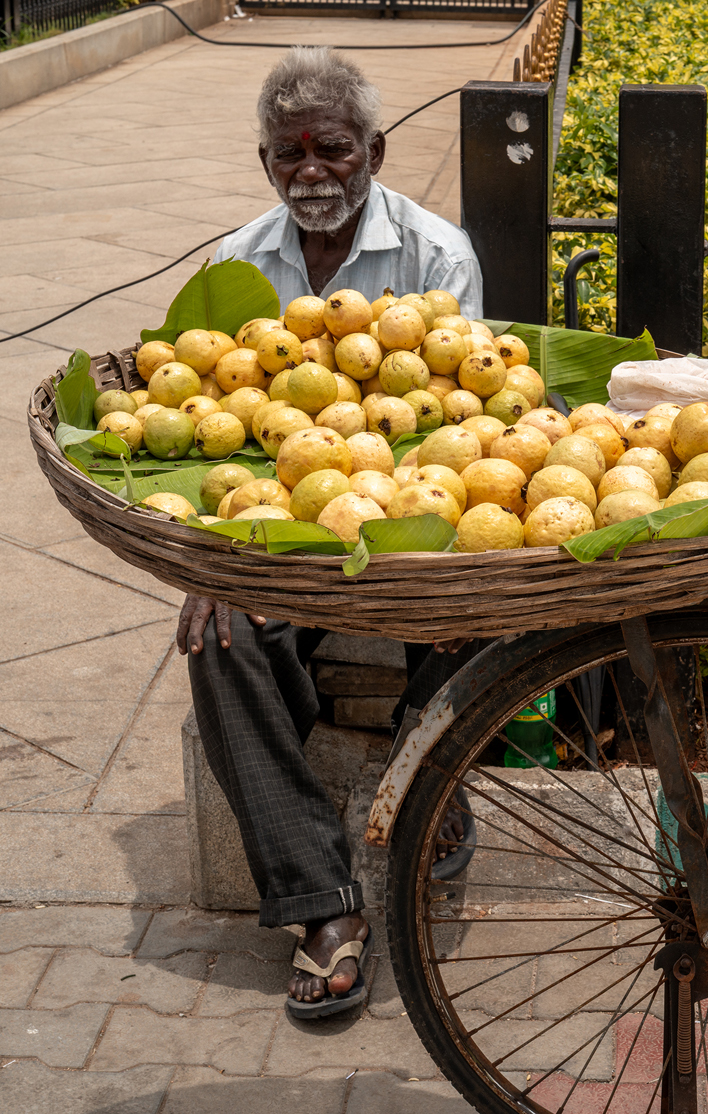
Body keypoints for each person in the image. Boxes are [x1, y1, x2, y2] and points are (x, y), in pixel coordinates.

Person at [178, 46, 485, 1020]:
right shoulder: (233, 267)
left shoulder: (438, 257)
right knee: (219, 637)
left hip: (410, 518)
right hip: (285, 536)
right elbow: (210, 443)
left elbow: (468, 428)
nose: (311, 172)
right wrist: (216, 561)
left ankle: (429, 798)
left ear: (376, 151)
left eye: (332, 150)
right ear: (265, 163)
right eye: (288, 155)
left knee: (474, 618)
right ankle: (323, 904)